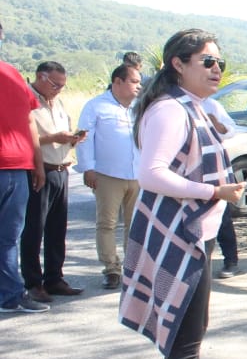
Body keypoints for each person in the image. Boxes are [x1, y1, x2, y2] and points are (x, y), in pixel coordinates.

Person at [120, 29, 245, 359]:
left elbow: (227, 128)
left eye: (220, 64)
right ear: (179, 63)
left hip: (195, 234)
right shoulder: (169, 111)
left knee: (191, 335)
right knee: (183, 340)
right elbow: (150, 174)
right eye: (208, 62)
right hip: (177, 235)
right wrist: (213, 191)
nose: (217, 70)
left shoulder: (190, 105)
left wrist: (210, 100)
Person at [22, 61, 86, 302]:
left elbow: (61, 133)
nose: (58, 89)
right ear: (41, 76)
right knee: (34, 228)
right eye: (55, 84)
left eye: (62, 86)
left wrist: (71, 139)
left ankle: (54, 278)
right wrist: (53, 138)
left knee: (57, 228)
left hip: (61, 169)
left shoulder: (57, 102)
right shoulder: (27, 99)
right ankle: (33, 282)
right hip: (40, 170)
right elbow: (27, 136)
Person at [77, 63, 142, 290]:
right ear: (117, 82)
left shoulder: (139, 107)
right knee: (107, 223)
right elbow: (84, 140)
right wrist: (88, 168)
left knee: (136, 224)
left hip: (138, 174)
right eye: (134, 81)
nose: (138, 86)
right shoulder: (96, 106)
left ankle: (134, 266)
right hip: (107, 174)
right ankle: (111, 268)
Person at [0, 21, 49, 314]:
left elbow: (29, 120)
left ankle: (10, 296)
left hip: (18, 170)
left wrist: (38, 164)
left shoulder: (13, 74)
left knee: (9, 237)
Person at [202, 95, 242, 279]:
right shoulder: (173, 104)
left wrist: (216, 123)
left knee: (222, 218)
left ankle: (231, 261)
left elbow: (230, 130)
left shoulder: (211, 105)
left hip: (214, 170)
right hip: (191, 173)